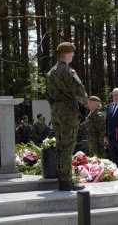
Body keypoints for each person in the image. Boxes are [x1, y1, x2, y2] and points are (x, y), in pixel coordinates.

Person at [45, 41, 88, 191]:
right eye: (72, 53)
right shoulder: (68, 71)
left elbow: (48, 95)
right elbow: (80, 90)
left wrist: (56, 107)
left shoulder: (50, 73)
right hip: (68, 111)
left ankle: (62, 178)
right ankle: (66, 181)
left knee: (61, 146)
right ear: (67, 54)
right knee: (68, 146)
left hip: (56, 111)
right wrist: (85, 104)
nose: (73, 55)